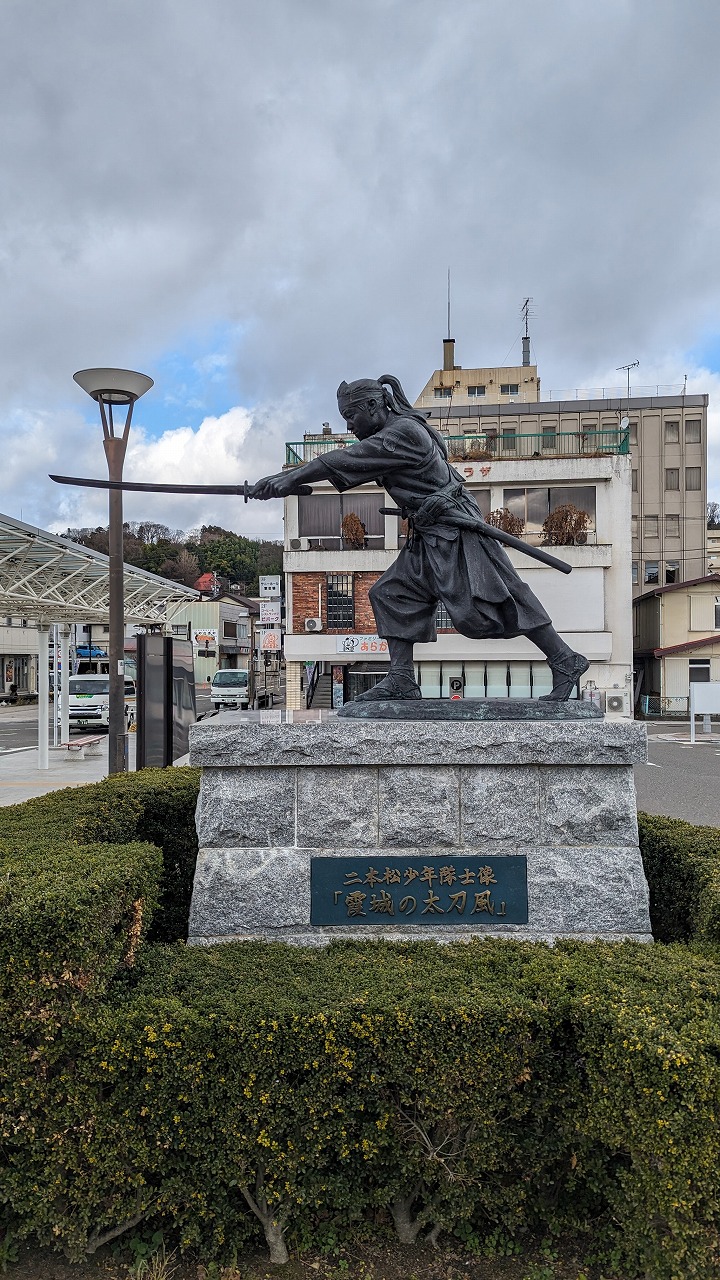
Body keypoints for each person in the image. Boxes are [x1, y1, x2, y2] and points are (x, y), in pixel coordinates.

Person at [250, 374, 589, 702]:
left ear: (373, 406)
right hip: (428, 534)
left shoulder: (404, 432)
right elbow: (350, 466)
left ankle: (564, 659)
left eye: (351, 416)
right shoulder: (396, 432)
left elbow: (344, 459)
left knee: (499, 596)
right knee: (392, 593)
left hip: (455, 529)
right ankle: (402, 678)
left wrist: (289, 478)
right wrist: (281, 481)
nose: (349, 426)